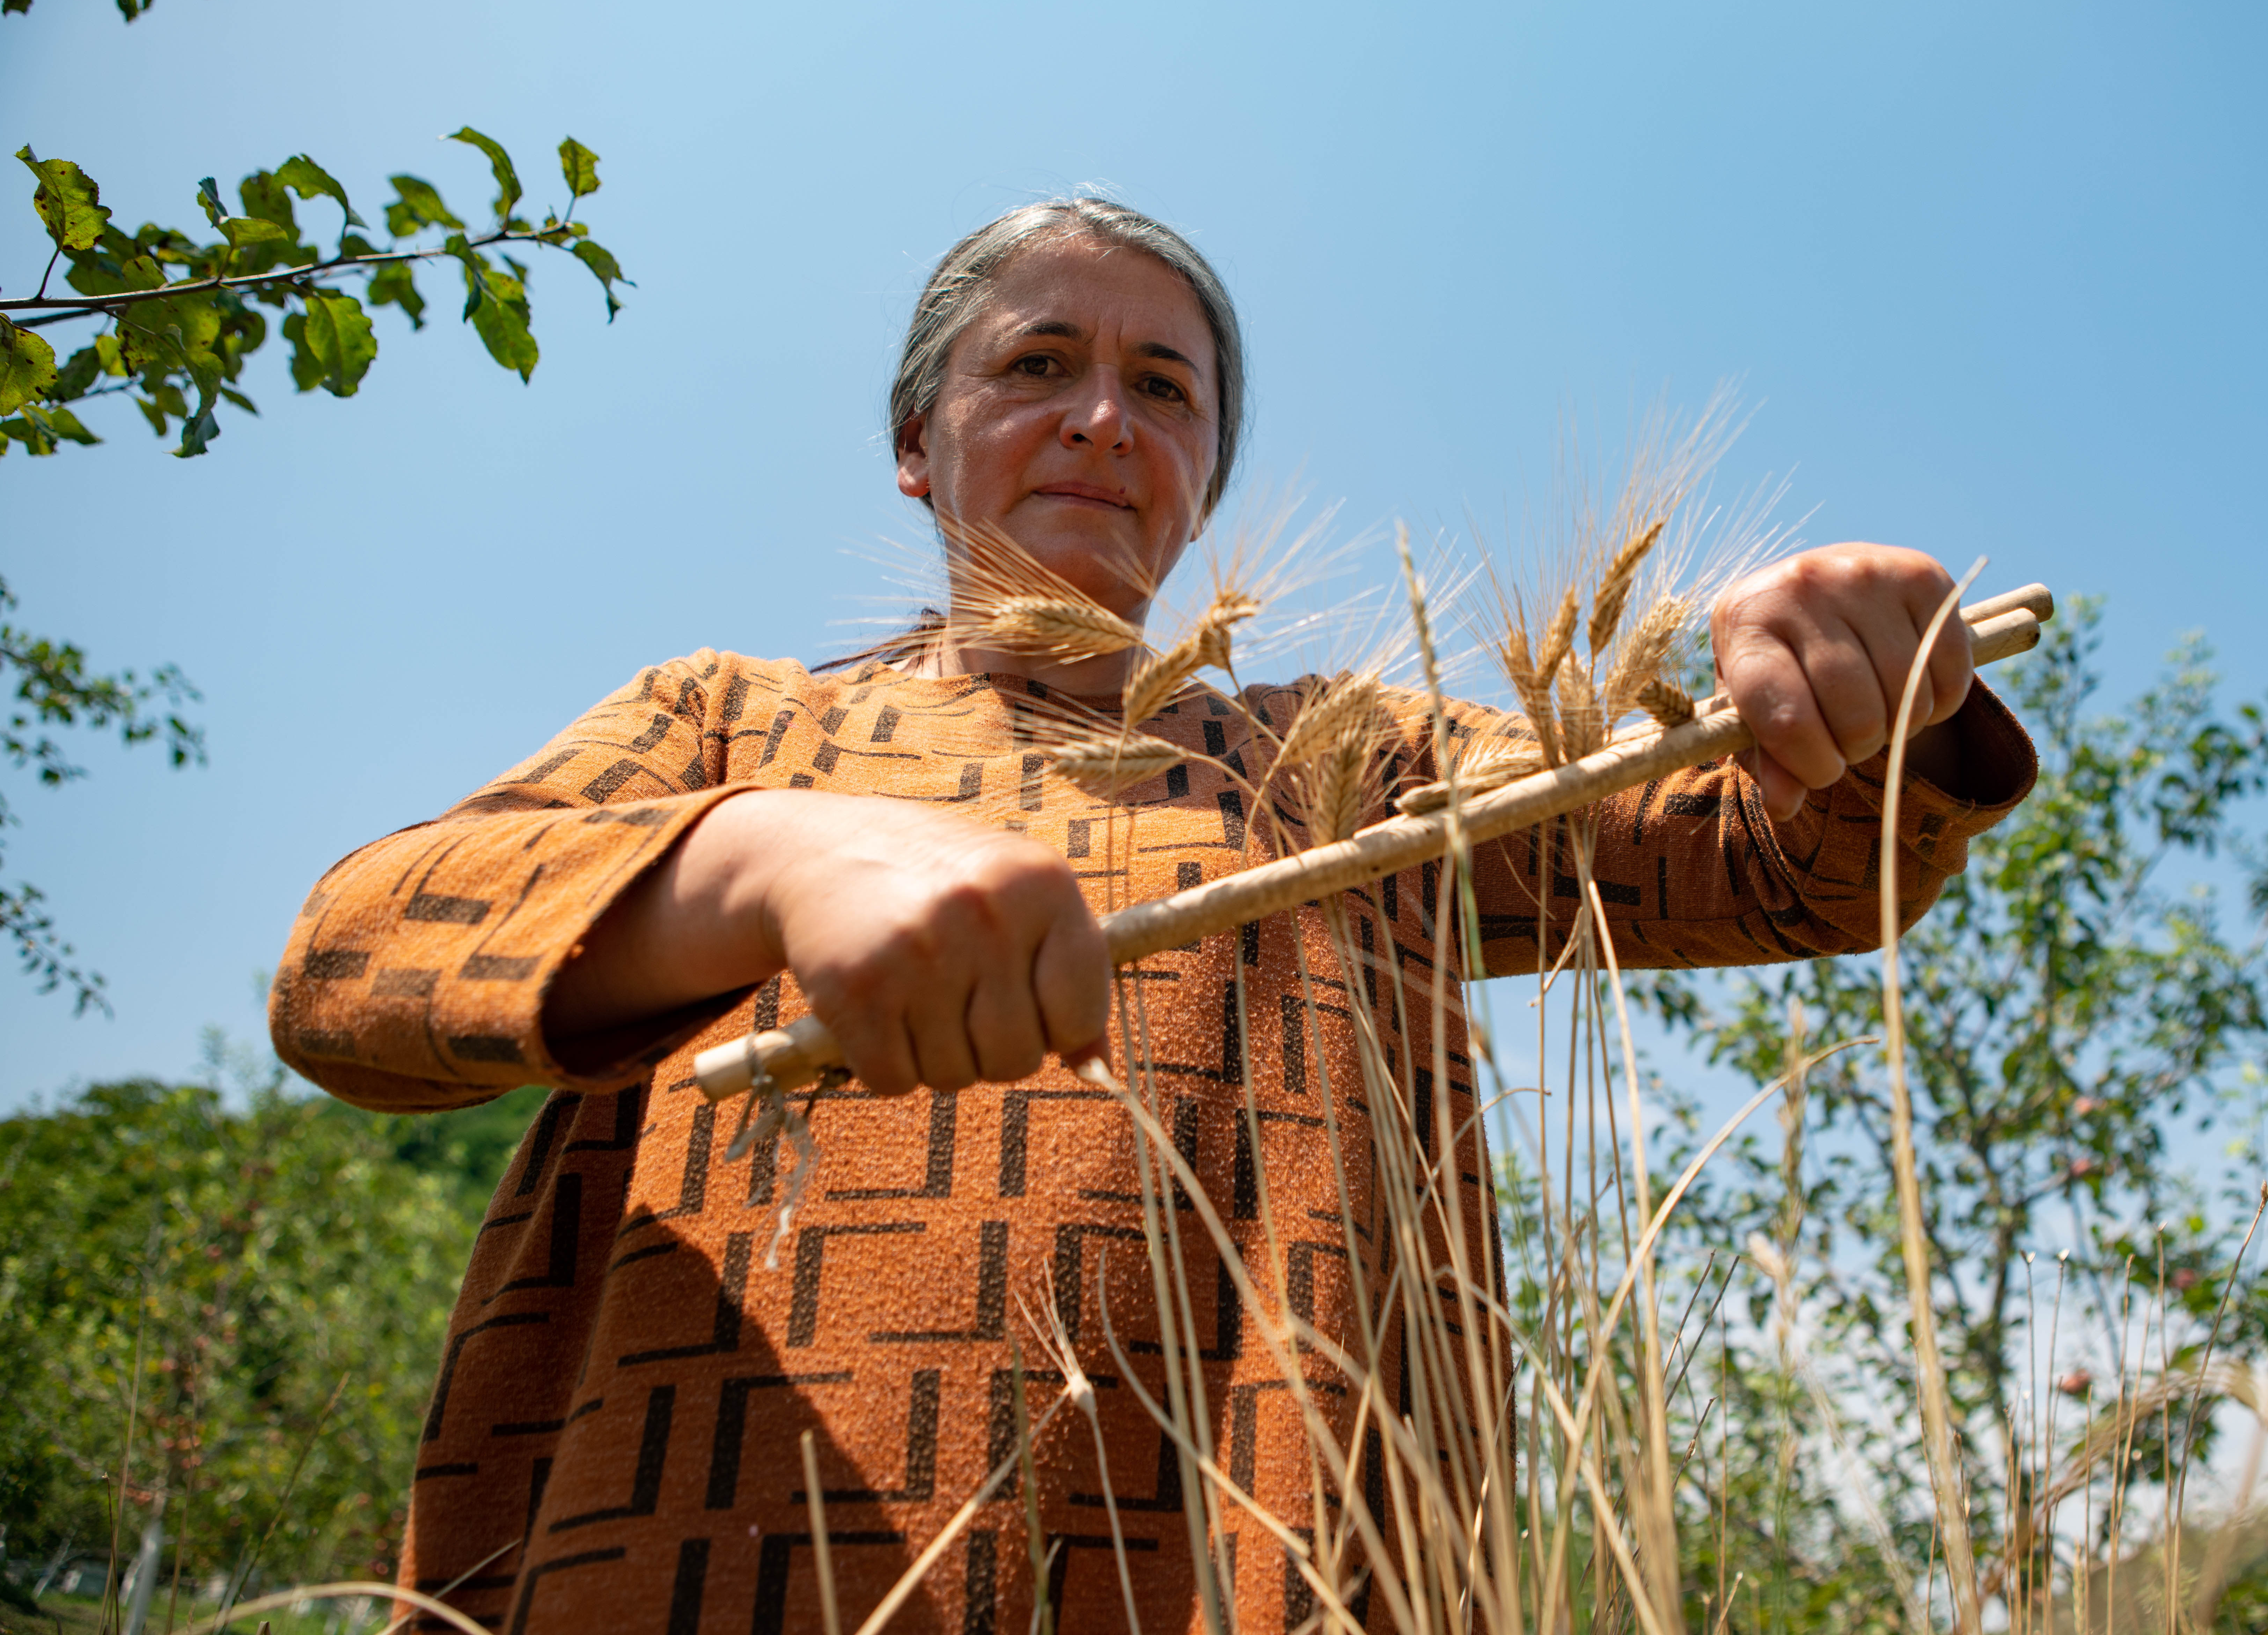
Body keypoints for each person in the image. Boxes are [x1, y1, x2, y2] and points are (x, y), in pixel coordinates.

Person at [271, 198, 2039, 1633]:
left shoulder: (1353, 764)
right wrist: (765, 863)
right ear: (916, 444)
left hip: (1262, 1557)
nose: (1103, 420)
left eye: (1164, 390)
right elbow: (352, 962)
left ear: (1204, 482)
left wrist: (1852, 679)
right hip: (699, 1559)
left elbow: (1788, 860)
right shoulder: (731, 723)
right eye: (1036, 364)